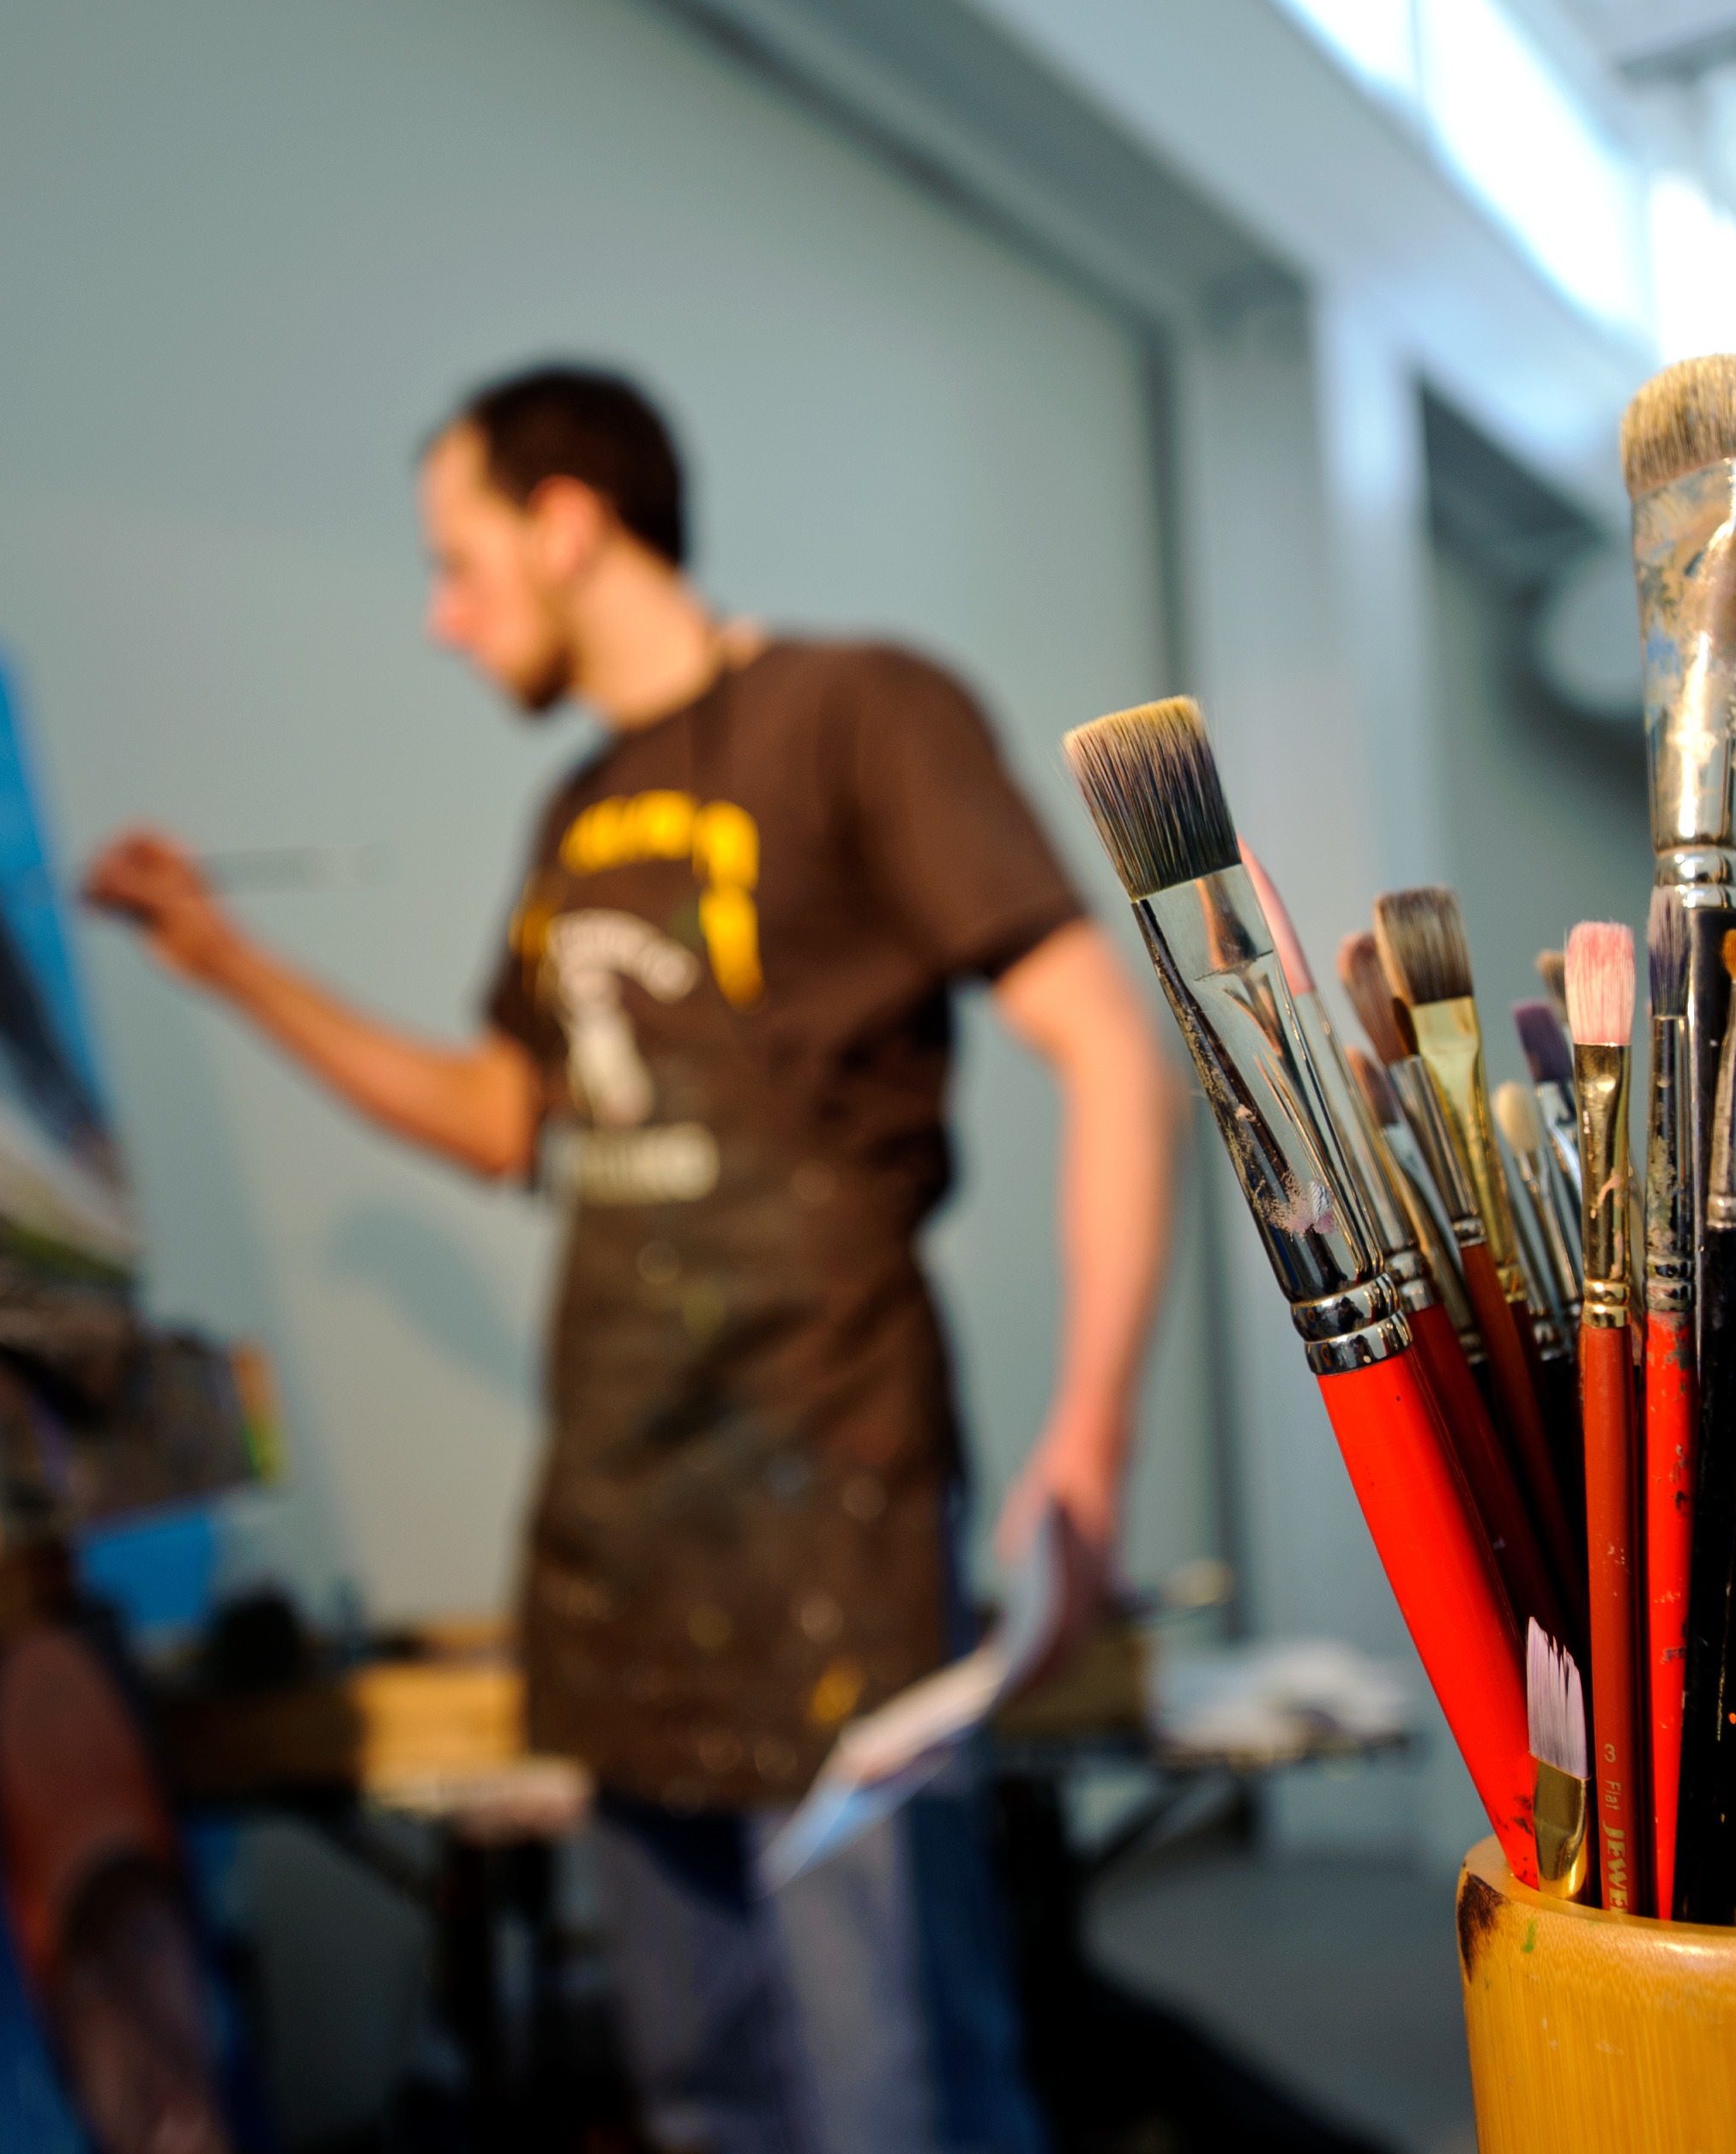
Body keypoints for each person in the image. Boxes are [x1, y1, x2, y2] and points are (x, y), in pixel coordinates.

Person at [85, 366, 1178, 2154]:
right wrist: (225, 962)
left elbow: (1108, 1050)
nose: (442, 618)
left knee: (891, 2086)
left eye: (458, 560)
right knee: (697, 2095)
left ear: (567, 521)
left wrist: (1090, 1435)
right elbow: (504, 1116)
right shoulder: (571, 815)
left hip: (832, 1506)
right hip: (617, 1529)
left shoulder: (856, 712)